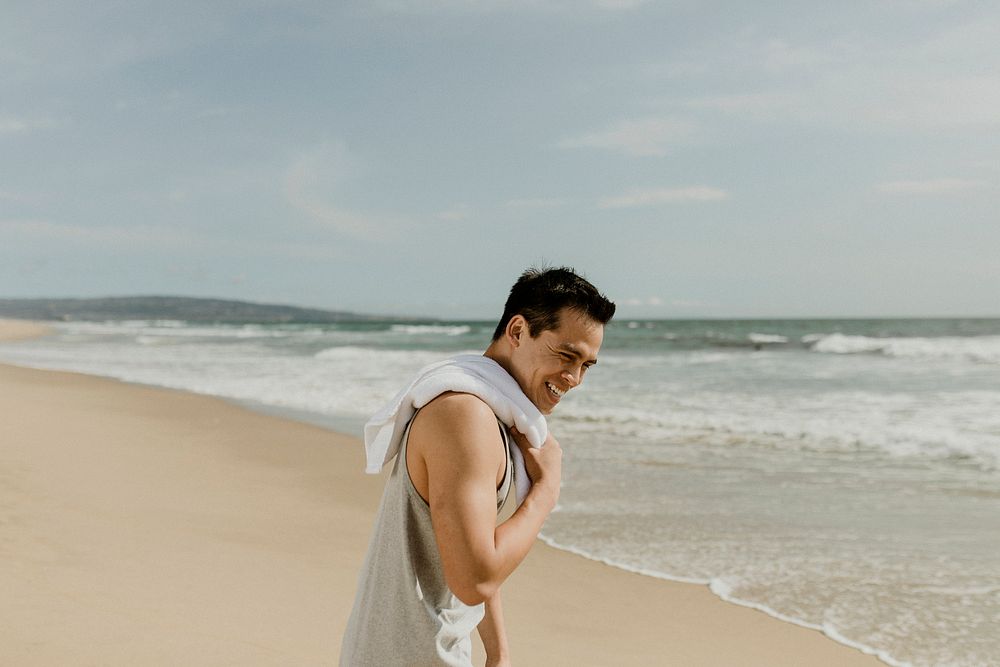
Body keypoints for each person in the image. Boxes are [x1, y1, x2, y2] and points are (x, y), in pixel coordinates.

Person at [340, 267, 615, 667]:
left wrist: (498, 651)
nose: (574, 378)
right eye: (566, 355)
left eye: (587, 365)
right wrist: (545, 492)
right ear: (518, 331)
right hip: (410, 654)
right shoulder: (464, 416)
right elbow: (474, 580)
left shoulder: (493, 408)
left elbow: (476, 539)